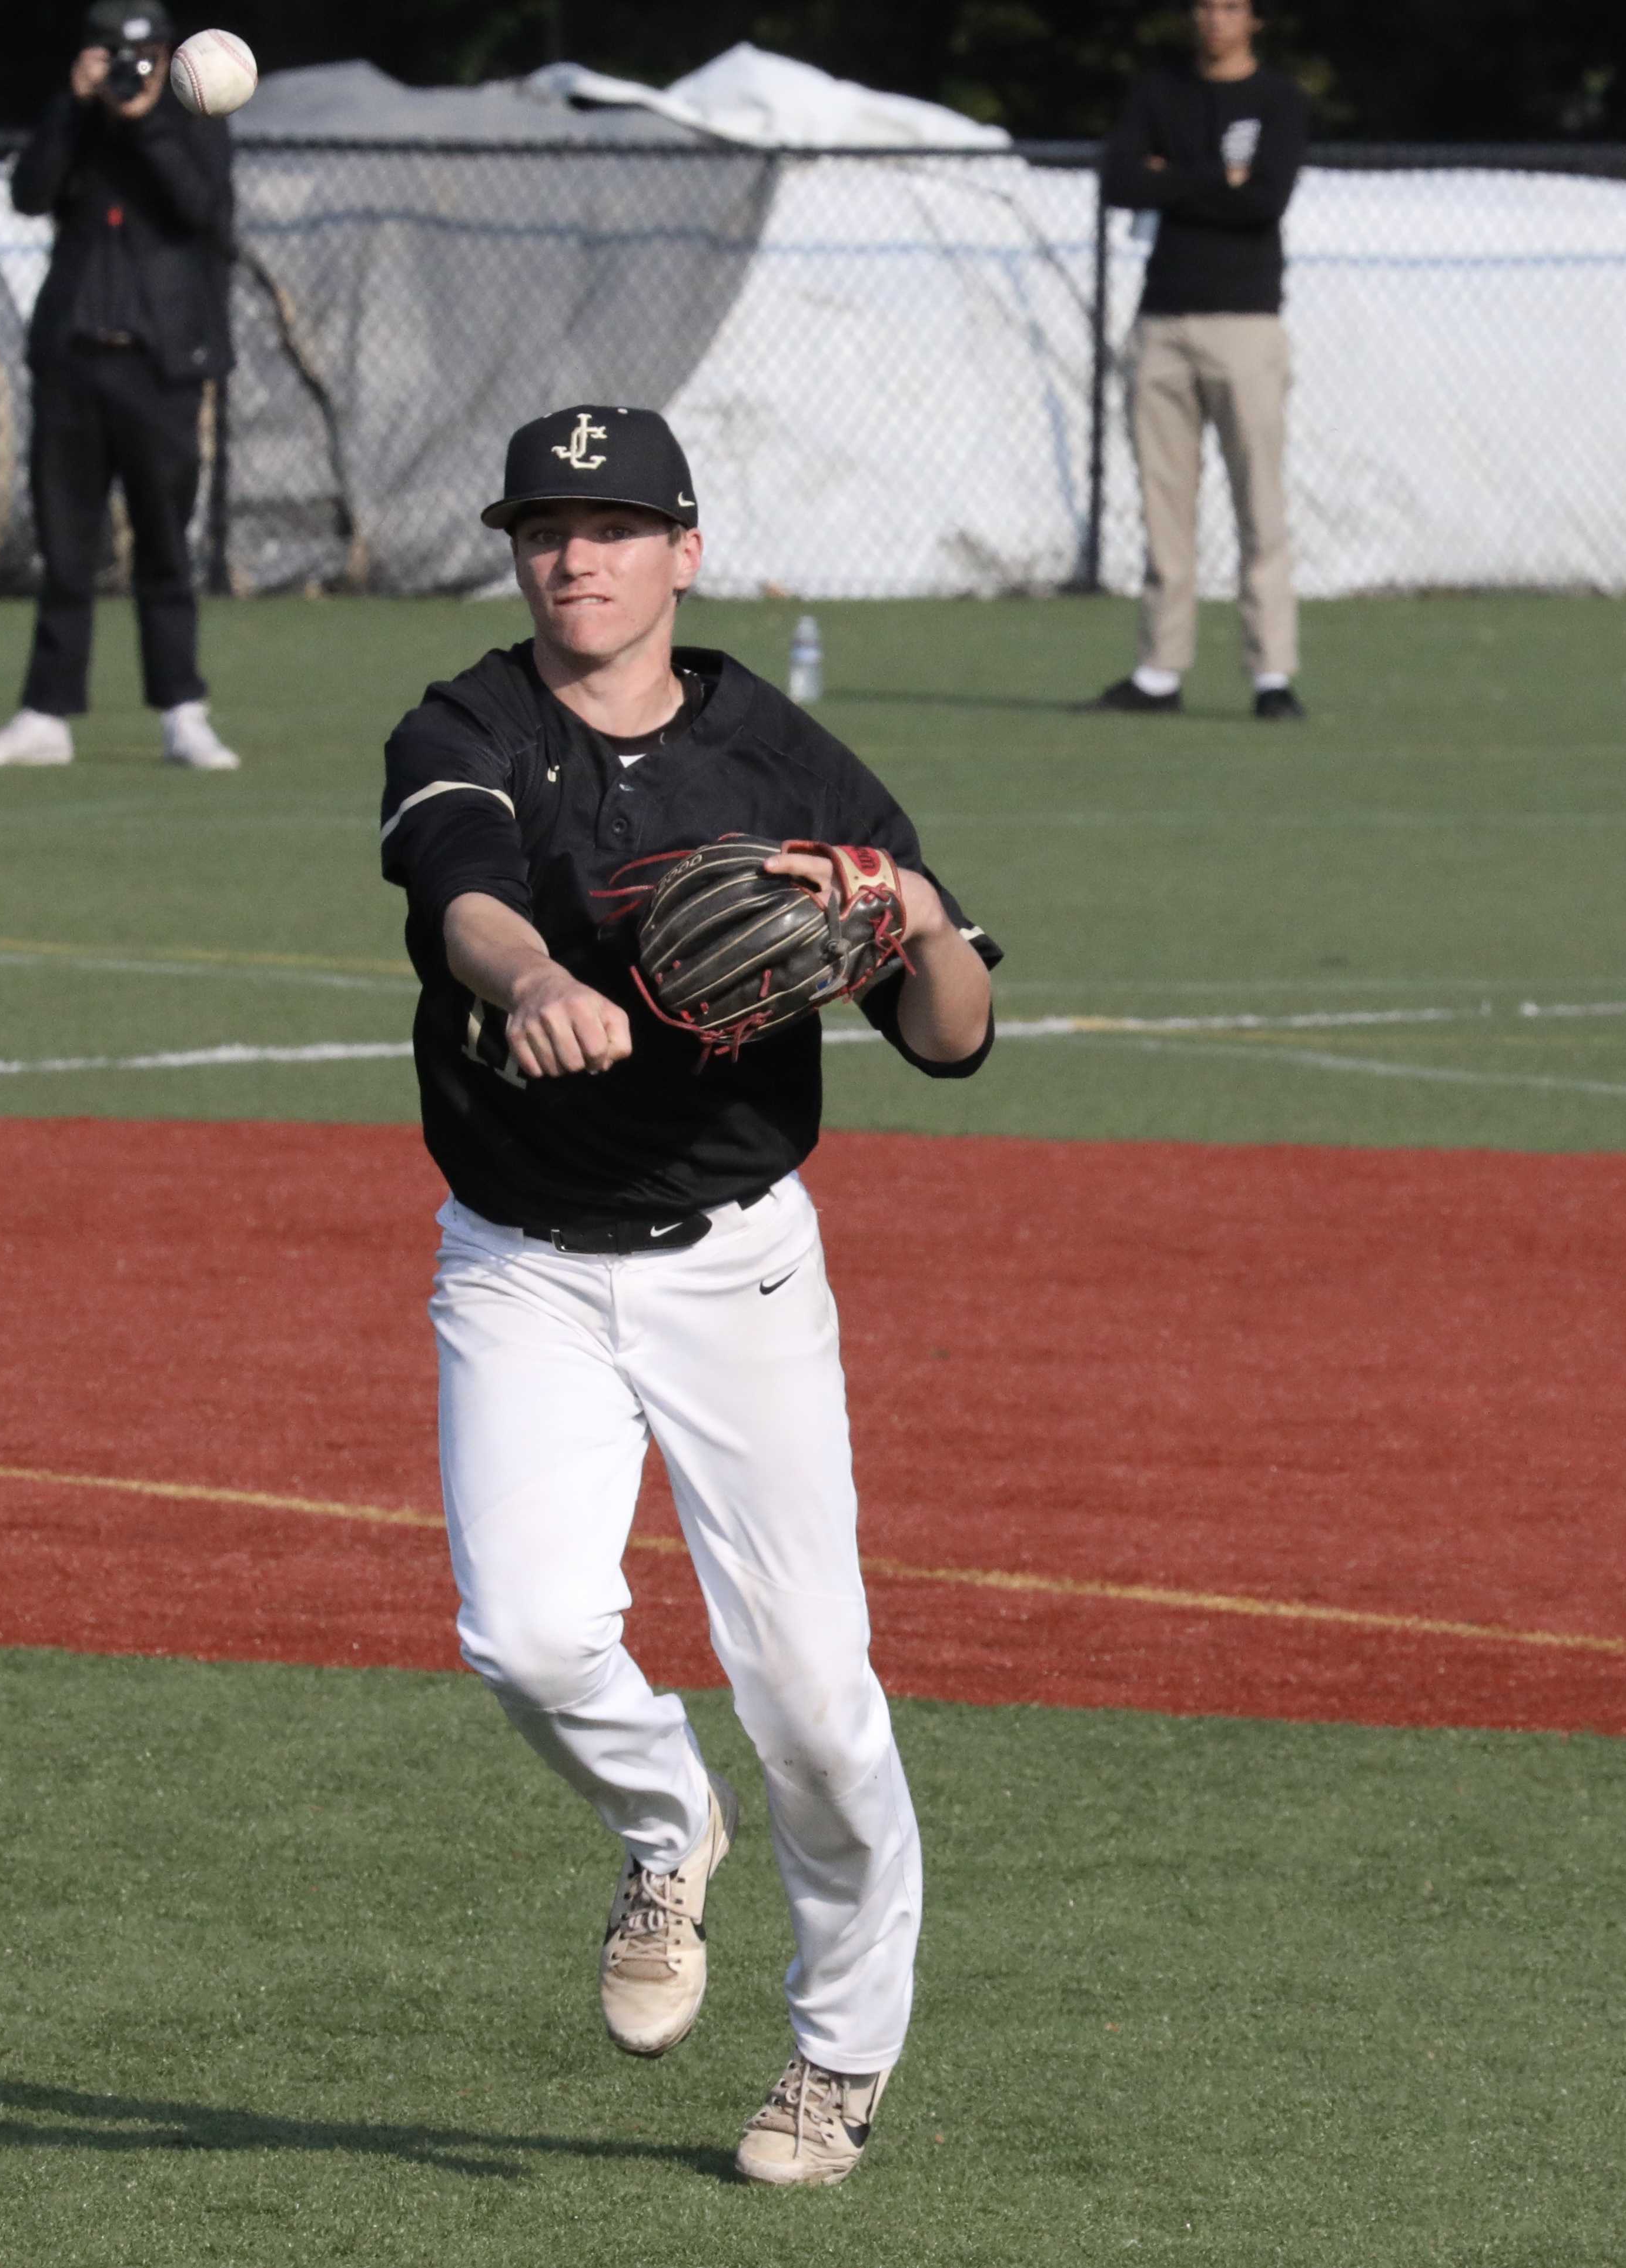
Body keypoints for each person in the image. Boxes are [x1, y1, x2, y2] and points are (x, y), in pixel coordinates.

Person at [377, 405, 1002, 2187]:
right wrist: (524, 979)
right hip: (517, 1262)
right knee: (531, 1632)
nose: (574, 555)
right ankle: (667, 1823)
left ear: (682, 550)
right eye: (544, 526)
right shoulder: (465, 723)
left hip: (733, 1264)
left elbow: (950, 1037)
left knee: (809, 1685)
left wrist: (897, 906)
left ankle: (834, 2059)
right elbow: (459, 895)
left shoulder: (784, 761)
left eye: (612, 524)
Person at [0, 0, 239, 771]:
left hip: (161, 368)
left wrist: (147, 119)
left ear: (169, 56)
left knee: (164, 546)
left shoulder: (194, 119)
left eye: (144, 55)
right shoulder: (78, 121)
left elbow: (202, 211)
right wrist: (72, 106)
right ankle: (45, 714)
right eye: (113, 55)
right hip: (75, 361)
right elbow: (28, 193)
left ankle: (183, 711)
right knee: (66, 548)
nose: (129, 70)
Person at [1090, 0, 1310, 722]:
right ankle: (1158, 670)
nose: (1213, 20)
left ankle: (1270, 673)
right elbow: (1119, 179)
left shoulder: (1277, 100)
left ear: (1255, 19)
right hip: (1162, 324)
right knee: (1163, 506)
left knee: (1259, 504)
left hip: (1246, 323)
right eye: (1204, 7)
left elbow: (1265, 200)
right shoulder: (1159, 92)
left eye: (1229, 7)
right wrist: (1217, 178)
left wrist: (1173, 176)